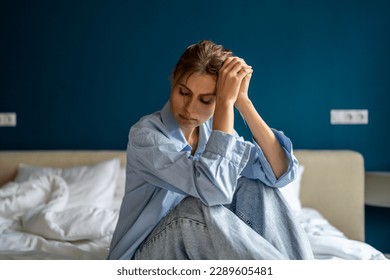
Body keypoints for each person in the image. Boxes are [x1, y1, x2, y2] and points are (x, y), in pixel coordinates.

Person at [108, 40, 313, 260]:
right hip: (143, 257)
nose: (189, 108)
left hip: (190, 249)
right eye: (183, 93)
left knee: (254, 187)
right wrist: (224, 104)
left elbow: (278, 172)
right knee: (196, 208)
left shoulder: (214, 134)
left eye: (205, 100)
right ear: (173, 81)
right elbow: (214, 191)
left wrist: (242, 101)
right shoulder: (146, 136)